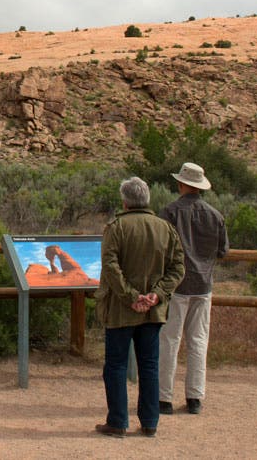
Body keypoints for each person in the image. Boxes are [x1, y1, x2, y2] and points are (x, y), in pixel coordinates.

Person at [94, 177, 185, 439]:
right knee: (149, 365)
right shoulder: (164, 228)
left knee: (116, 365)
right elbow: (178, 266)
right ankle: (150, 422)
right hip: (152, 312)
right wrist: (155, 295)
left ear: (125, 200)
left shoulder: (116, 227)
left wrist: (131, 296)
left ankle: (118, 422)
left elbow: (110, 266)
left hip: (121, 311)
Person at [158, 162, 229, 416]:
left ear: (181, 184)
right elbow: (222, 251)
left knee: (169, 340)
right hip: (203, 284)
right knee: (199, 341)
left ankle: (164, 397)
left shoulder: (170, 212)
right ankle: (195, 397)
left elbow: (160, 247)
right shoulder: (215, 215)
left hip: (176, 285)